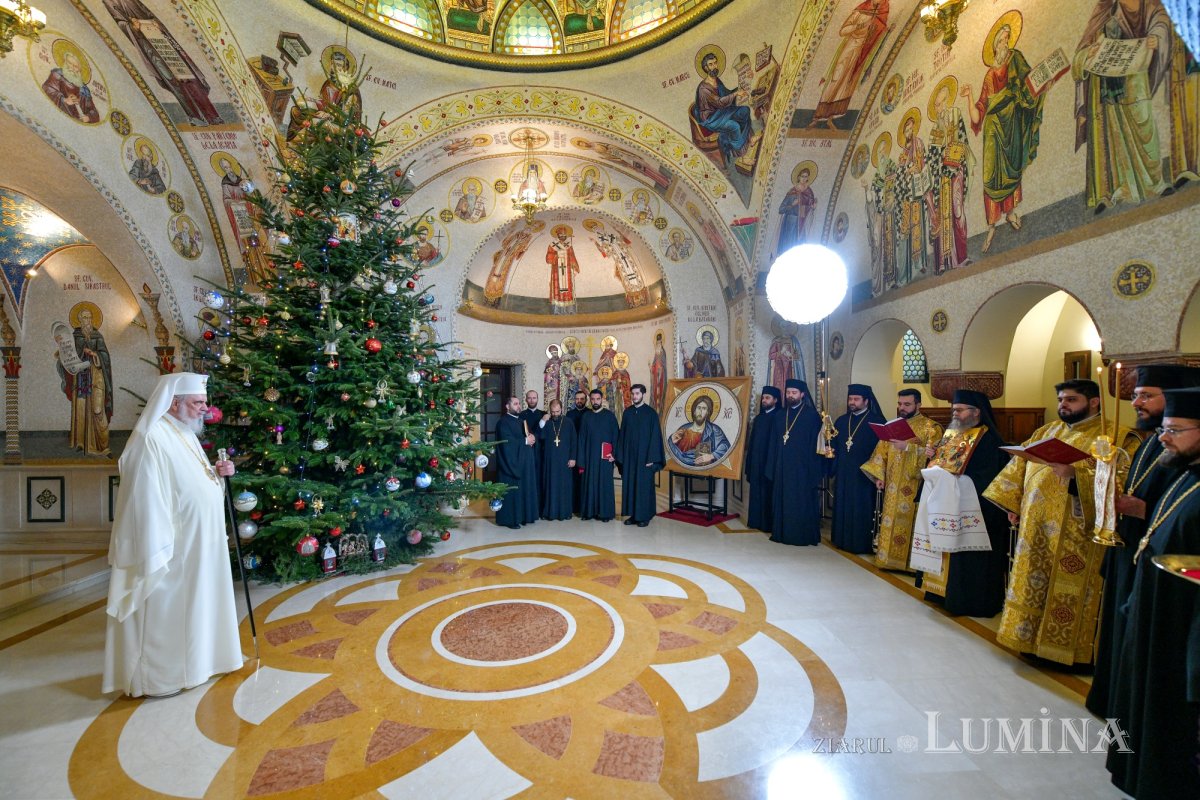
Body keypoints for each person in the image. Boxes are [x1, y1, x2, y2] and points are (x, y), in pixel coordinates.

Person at [102, 372, 241, 697]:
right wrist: (158, 545)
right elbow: (144, 497)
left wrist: (219, 477)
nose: (204, 409)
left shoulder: (184, 433)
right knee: (171, 609)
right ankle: (161, 677)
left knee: (199, 604)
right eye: (198, 403)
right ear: (174, 403)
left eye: (204, 403)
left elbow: (195, 483)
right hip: (171, 548)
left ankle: (201, 664)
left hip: (200, 542)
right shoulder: (152, 438)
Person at [984, 379, 1139, 663]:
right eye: (1061, 400)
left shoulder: (1116, 437)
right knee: (1032, 581)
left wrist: (1075, 475)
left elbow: (1120, 485)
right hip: (1035, 526)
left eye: (1071, 400)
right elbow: (1020, 466)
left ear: (1094, 402)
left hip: (1077, 532)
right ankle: (1027, 640)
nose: (1063, 406)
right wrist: (1014, 502)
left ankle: (1065, 653)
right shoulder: (1048, 430)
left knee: (1066, 589)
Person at [1087, 364, 1200, 719]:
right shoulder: (1148, 441)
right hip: (1133, 551)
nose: (1137, 402)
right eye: (1135, 394)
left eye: (1146, 395)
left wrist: (1142, 509)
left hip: (1167, 582)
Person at [1105, 386, 1200, 800]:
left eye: (1175, 430)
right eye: (1163, 429)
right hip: (1153, 612)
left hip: (1179, 628)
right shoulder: (1185, 475)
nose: (1164, 437)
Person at [1072, 0, 1173, 213]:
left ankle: (1155, 182)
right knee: (1115, 137)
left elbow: (1161, 22)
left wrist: (1156, 37)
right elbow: (1079, 55)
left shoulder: (1148, 4)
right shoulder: (1104, 8)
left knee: (1144, 127)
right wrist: (1089, 53)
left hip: (1136, 78)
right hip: (1109, 85)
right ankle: (1120, 188)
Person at [916, 390, 1010, 616]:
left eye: (959, 410)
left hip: (977, 511)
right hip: (948, 505)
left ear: (976, 412)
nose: (954, 414)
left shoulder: (990, 441)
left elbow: (988, 480)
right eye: (953, 410)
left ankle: (968, 600)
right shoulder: (953, 435)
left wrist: (952, 480)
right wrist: (933, 459)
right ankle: (940, 593)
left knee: (970, 561)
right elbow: (944, 465)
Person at [962, 17, 1047, 253]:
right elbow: (979, 113)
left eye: (1008, 38)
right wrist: (968, 97)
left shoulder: (1015, 58)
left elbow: (1028, 82)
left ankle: (1010, 212)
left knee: (1011, 168)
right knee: (990, 176)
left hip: (1012, 123)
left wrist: (1041, 82)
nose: (1005, 42)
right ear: (995, 45)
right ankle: (991, 223)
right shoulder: (989, 76)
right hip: (992, 129)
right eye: (1002, 39)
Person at [103, 0, 224, 126]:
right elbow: (120, 22)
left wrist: (156, 22)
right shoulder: (109, 2)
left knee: (190, 78)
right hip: (148, 46)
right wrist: (132, 26)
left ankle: (212, 116)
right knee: (173, 82)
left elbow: (149, 13)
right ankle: (195, 117)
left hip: (162, 40)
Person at [862, 389, 944, 570]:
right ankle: (887, 560)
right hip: (892, 484)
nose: (902, 408)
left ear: (918, 405)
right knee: (890, 521)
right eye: (900, 404)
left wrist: (908, 447)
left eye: (907, 404)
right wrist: (879, 476)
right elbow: (881, 452)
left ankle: (909, 565)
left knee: (911, 524)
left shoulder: (932, 428)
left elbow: (937, 459)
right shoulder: (893, 426)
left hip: (914, 487)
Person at [810, 0, 891, 128]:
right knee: (836, 78)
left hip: (861, 54)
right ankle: (819, 115)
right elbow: (843, 31)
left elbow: (877, 35)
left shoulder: (882, 15)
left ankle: (833, 117)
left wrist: (887, 31)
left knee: (848, 85)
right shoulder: (860, 11)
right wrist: (858, 26)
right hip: (849, 49)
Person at [765, 379, 824, 546]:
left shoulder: (812, 417)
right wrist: (772, 467)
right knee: (783, 500)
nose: (790, 396)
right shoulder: (779, 416)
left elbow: (817, 446)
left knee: (800, 501)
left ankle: (801, 536)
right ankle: (781, 533)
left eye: (794, 393)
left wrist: (814, 469)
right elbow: (773, 443)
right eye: (788, 393)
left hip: (802, 470)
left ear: (802, 395)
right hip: (782, 467)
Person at [830, 384, 886, 554]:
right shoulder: (841, 420)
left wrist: (879, 475)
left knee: (861, 508)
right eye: (850, 399)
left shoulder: (878, 422)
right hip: (844, 472)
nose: (852, 402)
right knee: (843, 505)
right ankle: (841, 539)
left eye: (856, 399)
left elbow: (884, 451)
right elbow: (834, 446)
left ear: (866, 401)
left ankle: (861, 544)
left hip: (864, 475)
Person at [57, 308, 113, 457]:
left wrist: (95, 354)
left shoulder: (97, 336)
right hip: (81, 377)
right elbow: (69, 356)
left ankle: (103, 446)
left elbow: (105, 357)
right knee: (80, 410)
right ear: (79, 320)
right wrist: (62, 355)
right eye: (84, 318)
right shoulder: (75, 337)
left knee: (97, 409)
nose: (87, 321)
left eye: (89, 317)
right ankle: (80, 444)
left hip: (96, 376)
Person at [693, 50, 758, 169]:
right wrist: (735, 94)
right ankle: (743, 157)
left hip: (722, 112)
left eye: (715, 63)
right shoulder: (703, 88)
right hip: (711, 118)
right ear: (705, 68)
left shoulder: (716, 80)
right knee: (733, 125)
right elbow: (719, 102)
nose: (714, 66)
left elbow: (726, 94)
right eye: (711, 64)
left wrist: (740, 88)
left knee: (744, 111)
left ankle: (750, 138)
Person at [617, 385, 665, 526]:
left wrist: (652, 459)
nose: (634, 396)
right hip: (630, 459)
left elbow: (655, 437)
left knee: (643, 487)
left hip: (645, 459)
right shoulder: (627, 413)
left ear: (643, 394)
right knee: (631, 485)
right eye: (632, 394)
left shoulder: (651, 414)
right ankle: (633, 515)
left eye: (637, 393)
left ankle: (644, 516)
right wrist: (622, 457)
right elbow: (622, 436)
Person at [494, 396, 538, 529]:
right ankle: (510, 520)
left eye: (519, 404)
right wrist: (525, 441)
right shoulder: (503, 422)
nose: (518, 406)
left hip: (523, 463)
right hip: (510, 465)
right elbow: (506, 444)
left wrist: (531, 437)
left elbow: (526, 436)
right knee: (512, 493)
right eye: (515, 404)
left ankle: (523, 516)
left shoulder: (520, 421)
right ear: (507, 406)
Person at [743, 386, 781, 532]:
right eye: (763, 397)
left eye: (768, 398)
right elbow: (753, 443)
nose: (764, 400)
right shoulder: (759, 418)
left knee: (768, 493)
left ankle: (767, 524)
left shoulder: (778, 418)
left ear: (776, 400)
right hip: (757, 462)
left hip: (769, 462)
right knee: (756, 492)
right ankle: (755, 521)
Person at [577, 389, 618, 522]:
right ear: (590, 400)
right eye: (593, 399)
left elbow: (616, 437)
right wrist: (581, 461)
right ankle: (588, 512)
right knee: (589, 484)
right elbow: (581, 440)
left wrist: (614, 454)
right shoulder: (586, 417)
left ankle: (605, 514)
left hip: (604, 458)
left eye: (597, 399)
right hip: (589, 458)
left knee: (604, 485)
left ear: (602, 399)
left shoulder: (610, 416)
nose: (595, 402)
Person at [667, 392, 731, 467]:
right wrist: (671, 440)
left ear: (708, 412)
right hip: (681, 467)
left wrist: (712, 456)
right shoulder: (683, 429)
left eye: (704, 408)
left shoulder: (714, 430)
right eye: (698, 408)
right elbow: (672, 448)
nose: (700, 411)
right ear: (694, 410)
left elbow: (725, 445)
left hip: (705, 470)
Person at [538, 399, 577, 521]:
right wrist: (543, 420)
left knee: (564, 486)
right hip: (550, 460)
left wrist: (573, 458)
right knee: (550, 485)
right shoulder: (548, 423)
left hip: (565, 460)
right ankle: (550, 512)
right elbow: (540, 436)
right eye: (553, 412)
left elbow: (574, 441)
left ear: (562, 409)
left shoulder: (568, 422)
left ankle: (564, 512)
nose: (555, 414)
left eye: (557, 411)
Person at [777, 167, 817, 253]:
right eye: (802, 176)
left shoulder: (809, 192)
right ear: (798, 177)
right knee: (789, 244)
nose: (804, 179)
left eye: (806, 177)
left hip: (802, 222)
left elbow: (808, 207)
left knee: (800, 246)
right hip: (791, 221)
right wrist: (792, 205)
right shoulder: (792, 192)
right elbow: (781, 209)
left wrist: (812, 207)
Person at [546, 225, 580, 314]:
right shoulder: (553, 245)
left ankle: (569, 310)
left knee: (568, 288)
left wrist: (574, 265)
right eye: (561, 235)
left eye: (564, 235)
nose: (563, 237)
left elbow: (572, 256)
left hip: (567, 271)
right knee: (557, 288)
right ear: (557, 235)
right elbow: (548, 258)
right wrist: (556, 255)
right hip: (557, 271)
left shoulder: (569, 245)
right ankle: (557, 310)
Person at [518, 390, 545, 506]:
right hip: (526, 451)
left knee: (540, 479)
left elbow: (547, 432)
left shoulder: (543, 414)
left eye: (534, 398)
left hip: (541, 451)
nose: (532, 400)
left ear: (537, 399)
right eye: (529, 398)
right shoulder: (521, 415)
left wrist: (535, 437)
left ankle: (540, 507)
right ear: (526, 399)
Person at [566, 390, 589, 515]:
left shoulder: (590, 413)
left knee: (585, 481)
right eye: (577, 399)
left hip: (586, 453)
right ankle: (573, 507)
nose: (579, 401)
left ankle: (584, 508)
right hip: (572, 452)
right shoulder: (569, 414)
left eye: (582, 399)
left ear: (586, 400)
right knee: (573, 481)